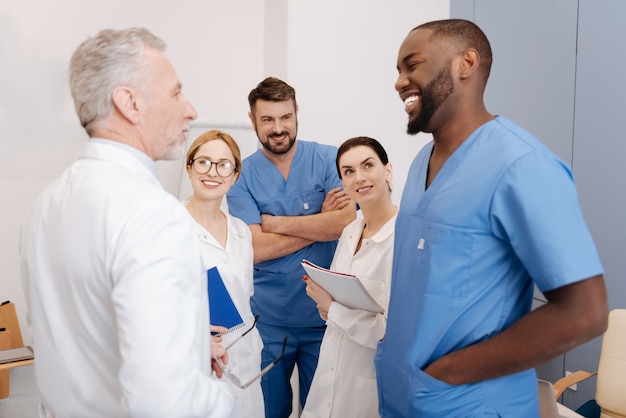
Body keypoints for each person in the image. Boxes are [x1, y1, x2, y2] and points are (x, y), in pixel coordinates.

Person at [374, 18, 609, 417]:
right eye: (398, 70)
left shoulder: (522, 166)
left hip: (469, 403)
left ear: (466, 63)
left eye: (412, 65)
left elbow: (585, 311)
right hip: (405, 396)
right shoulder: (419, 165)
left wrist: (451, 372)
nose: (400, 81)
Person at [19, 28, 236, 417]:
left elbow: (75, 338)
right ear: (130, 103)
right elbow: (165, 404)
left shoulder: (45, 206)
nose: (190, 109)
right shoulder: (154, 214)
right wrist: (221, 399)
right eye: (175, 92)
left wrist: (181, 349)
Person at [226, 76, 356, 417]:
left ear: (297, 113)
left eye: (285, 117)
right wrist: (319, 224)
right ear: (252, 120)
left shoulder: (330, 159)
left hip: (325, 316)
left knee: (323, 410)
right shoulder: (241, 175)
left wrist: (274, 223)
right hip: (268, 321)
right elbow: (254, 248)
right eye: (267, 119)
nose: (278, 127)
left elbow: (344, 223)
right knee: (270, 410)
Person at [301, 136, 397, 418]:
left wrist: (332, 310)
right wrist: (326, 301)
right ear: (343, 182)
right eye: (349, 171)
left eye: (368, 165)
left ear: (387, 171)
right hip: (327, 381)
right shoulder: (350, 231)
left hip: (366, 390)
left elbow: (391, 333)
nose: (360, 178)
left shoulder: (403, 239)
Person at [184, 129, 265, 417]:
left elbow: (245, 297)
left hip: (245, 361)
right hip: (196, 362)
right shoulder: (170, 226)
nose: (213, 172)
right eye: (203, 161)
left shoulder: (242, 231)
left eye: (224, 165)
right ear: (189, 166)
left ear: (235, 175)